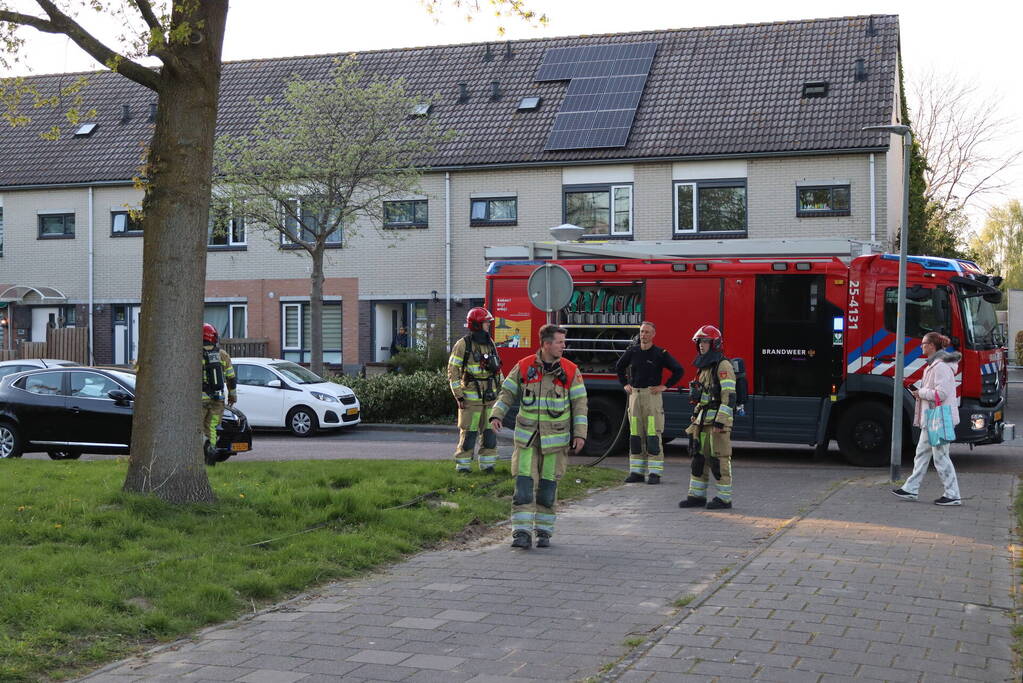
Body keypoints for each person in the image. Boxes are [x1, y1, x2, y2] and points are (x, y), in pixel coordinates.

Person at [490, 324, 587, 549]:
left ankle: (544, 531)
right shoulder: (524, 366)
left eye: (563, 342)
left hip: (555, 442)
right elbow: (507, 392)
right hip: (527, 439)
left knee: (547, 488)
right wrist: (497, 414)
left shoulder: (571, 370)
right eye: (560, 342)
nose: (564, 346)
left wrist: (580, 434)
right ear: (546, 344)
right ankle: (521, 533)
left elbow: (580, 404)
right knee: (524, 486)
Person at [892, 332, 962, 505]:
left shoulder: (940, 366)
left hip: (938, 419)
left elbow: (941, 393)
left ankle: (953, 495)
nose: (921, 346)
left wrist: (921, 392)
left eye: (923, 343)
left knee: (941, 457)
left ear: (931, 346)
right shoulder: (935, 365)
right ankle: (911, 489)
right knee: (922, 454)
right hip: (933, 419)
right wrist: (921, 393)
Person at [615, 321, 684, 484]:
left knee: (653, 435)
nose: (643, 335)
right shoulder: (632, 351)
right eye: (641, 331)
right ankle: (636, 472)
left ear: (653, 335)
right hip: (635, 396)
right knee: (635, 435)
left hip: (652, 397)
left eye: (647, 332)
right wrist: (624, 384)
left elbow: (678, 370)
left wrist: (665, 386)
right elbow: (619, 367)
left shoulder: (660, 353)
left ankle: (654, 473)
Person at [679, 324, 736, 510]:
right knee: (699, 458)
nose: (701, 345)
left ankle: (724, 498)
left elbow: (729, 396)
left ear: (715, 343)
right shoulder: (704, 366)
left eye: (705, 341)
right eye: (699, 342)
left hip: (717, 424)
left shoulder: (723, 365)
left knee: (719, 460)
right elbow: (704, 397)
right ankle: (696, 496)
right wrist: (695, 415)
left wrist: (721, 421)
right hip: (702, 421)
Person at [447, 307, 503, 473]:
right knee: (469, 434)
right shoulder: (463, 344)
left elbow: (497, 369)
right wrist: (459, 397)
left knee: (490, 434)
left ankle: (488, 465)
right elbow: (453, 371)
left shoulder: (490, 343)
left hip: (490, 398)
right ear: (477, 324)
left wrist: (503, 390)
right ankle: (463, 466)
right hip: (470, 401)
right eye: (486, 322)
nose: (488, 325)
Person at [201, 323, 237, 467]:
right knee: (212, 428)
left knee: (198, 428)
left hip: (199, 400)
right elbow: (231, 378)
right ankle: (210, 456)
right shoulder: (222, 355)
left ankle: (199, 457)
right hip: (217, 400)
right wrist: (233, 396)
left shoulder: (193, 354)